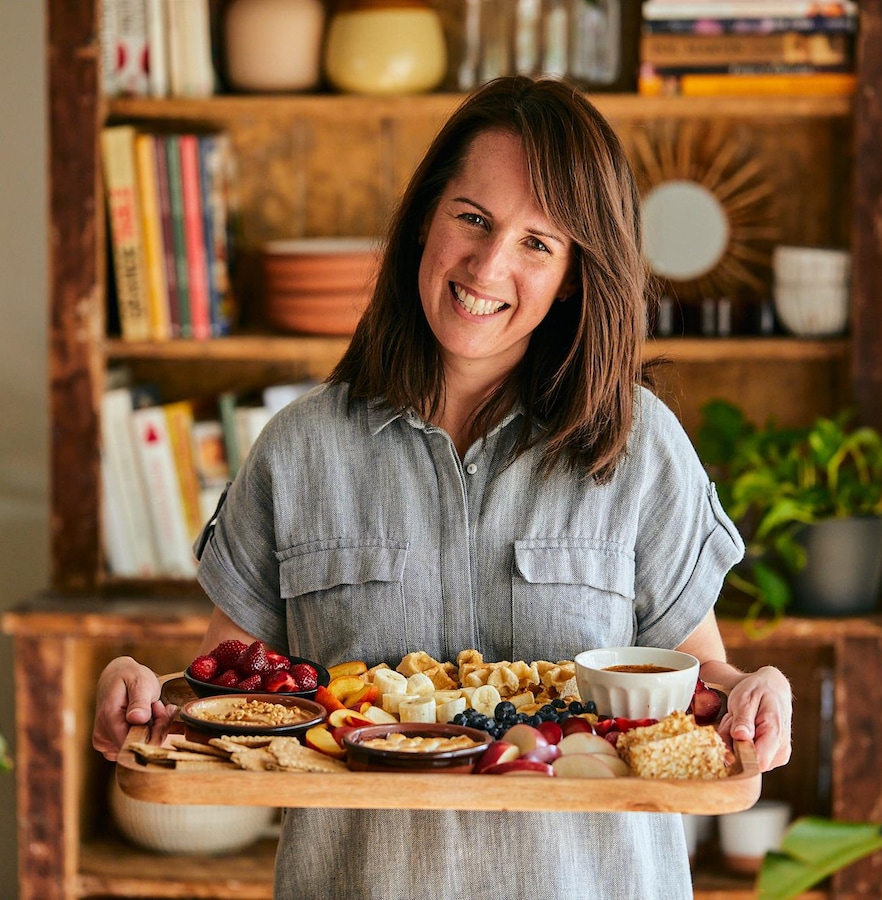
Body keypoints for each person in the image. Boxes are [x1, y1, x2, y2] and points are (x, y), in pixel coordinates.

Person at [94, 75, 792, 899]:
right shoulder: (298, 450)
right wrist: (142, 692)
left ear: (572, 274)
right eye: (473, 217)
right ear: (426, 217)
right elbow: (223, 698)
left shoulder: (639, 447)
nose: (489, 264)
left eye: (539, 242)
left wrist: (753, 690)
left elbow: (694, 685)